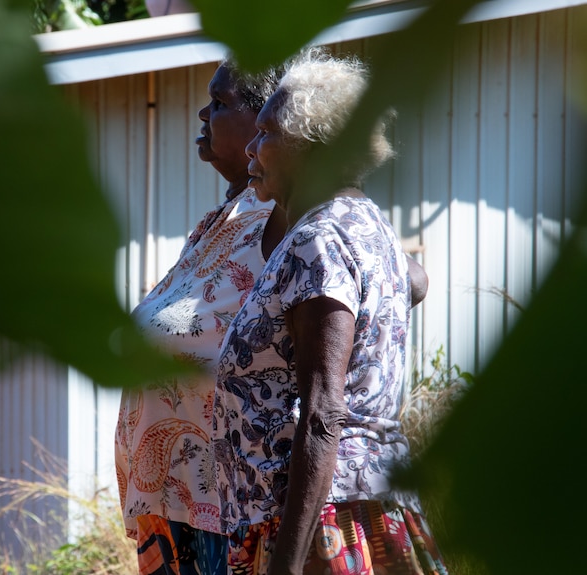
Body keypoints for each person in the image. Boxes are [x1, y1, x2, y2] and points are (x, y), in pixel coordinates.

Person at [211, 47, 446, 575]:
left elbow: (322, 410)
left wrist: (288, 564)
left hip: (320, 527)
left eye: (267, 133)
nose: (251, 145)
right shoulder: (367, 225)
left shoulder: (319, 239)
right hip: (356, 510)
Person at [115, 59, 288, 575]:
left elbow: (404, 273)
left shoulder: (288, 216)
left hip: (235, 503)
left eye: (219, 102)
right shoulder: (222, 220)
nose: (202, 112)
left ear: (268, 119)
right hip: (179, 504)